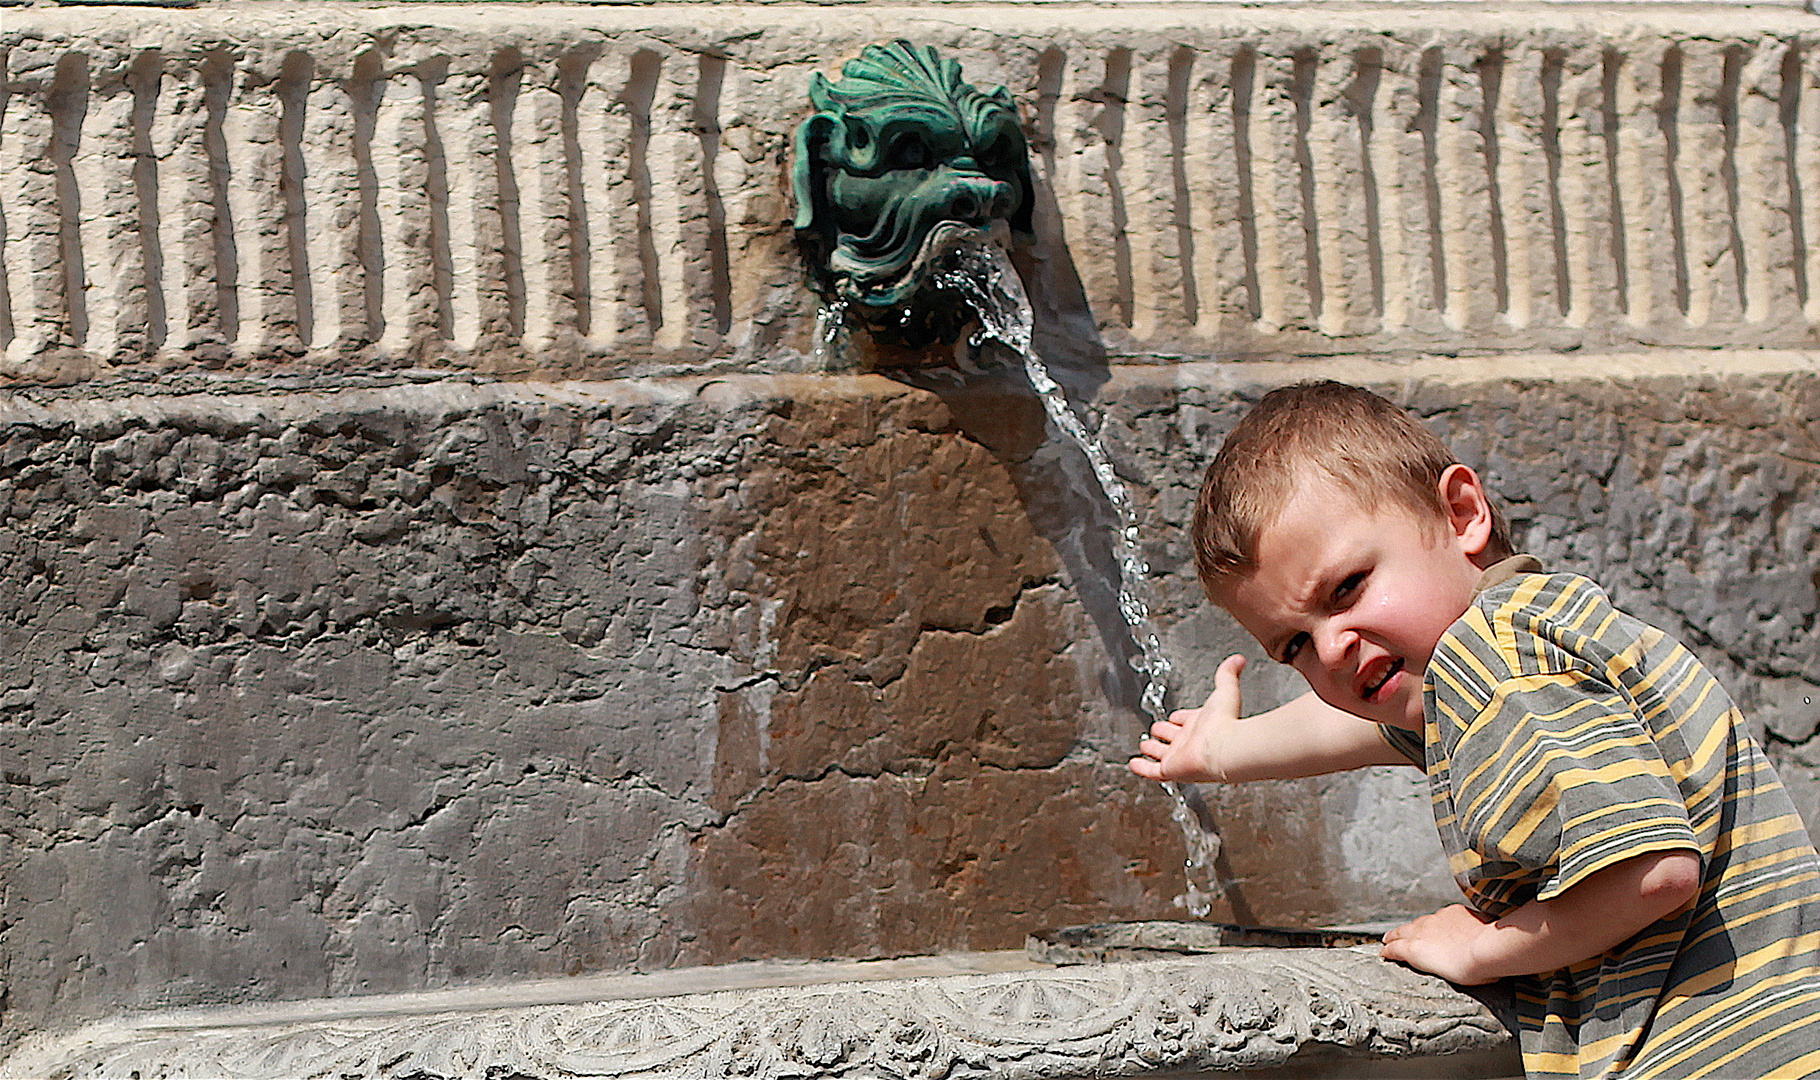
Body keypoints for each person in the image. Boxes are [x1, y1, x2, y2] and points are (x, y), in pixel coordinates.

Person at [1129, 380, 1820, 1079]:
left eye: (1346, 589)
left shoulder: (1491, 657)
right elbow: (1356, 727)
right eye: (1295, 646)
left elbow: (1651, 874)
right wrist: (1219, 749)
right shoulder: (1533, 641)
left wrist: (1482, 948)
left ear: (1462, 514)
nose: (1333, 648)